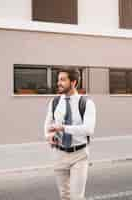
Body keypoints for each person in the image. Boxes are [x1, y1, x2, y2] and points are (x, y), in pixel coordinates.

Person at [44, 67, 96, 200]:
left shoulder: (86, 103)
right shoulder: (54, 102)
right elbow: (47, 125)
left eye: (63, 80)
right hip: (59, 154)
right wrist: (49, 137)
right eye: (58, 80)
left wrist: (63, 128)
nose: (58, 83)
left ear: (73, 82)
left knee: (76, 197)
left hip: (79, 155)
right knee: (64, 195)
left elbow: (88, 129)